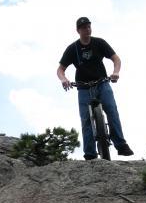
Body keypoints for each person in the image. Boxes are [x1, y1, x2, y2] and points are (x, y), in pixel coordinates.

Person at [57, 17, 134, 160]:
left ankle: (121, 144)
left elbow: (116, 58)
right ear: (78, 30)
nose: (87, 29)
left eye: (88, 26)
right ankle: (90, 154)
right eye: (83, 27)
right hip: (83, 88)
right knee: (86, 120)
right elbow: (60, 69)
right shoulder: (72, 49)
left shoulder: (99, 43)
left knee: (111, 110)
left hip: (102, 83)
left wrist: (116, 72)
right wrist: (64, 79)